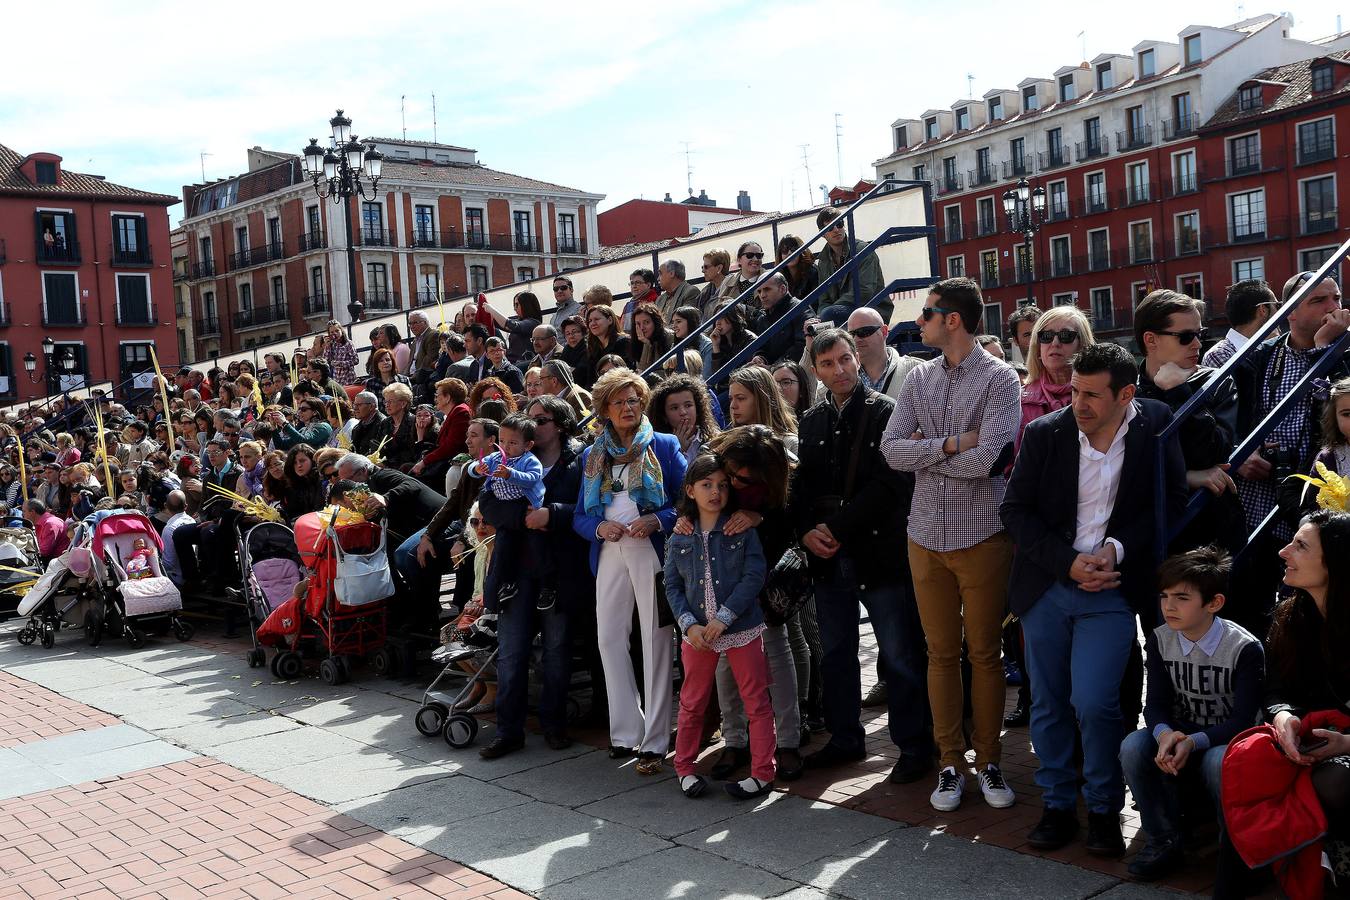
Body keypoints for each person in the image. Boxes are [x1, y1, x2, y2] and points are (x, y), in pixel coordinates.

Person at [1000, 342, 1187, 856]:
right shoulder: (1045, 433)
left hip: (1111, 591)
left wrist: (1116, 549)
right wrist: (1067, 561)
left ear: (1127, 394)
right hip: (1046, 589)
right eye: (1075, 391)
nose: (1078, 403)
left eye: (1091, 395)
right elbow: (1015, 511)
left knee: (1096, 702)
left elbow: (1169, 502)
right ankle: (1058, 804)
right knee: (1049, 701)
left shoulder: (1156, 426)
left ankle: (1104, 807)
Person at [881, 277, 1021, 812]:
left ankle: (988, 760)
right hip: (925, 534)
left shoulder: (1000, 377)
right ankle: (949, 762)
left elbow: (989, 459)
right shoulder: (919, 378)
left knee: (984, 654)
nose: (920, 322)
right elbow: (891, 450)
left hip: (982, 534)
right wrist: (949, 443)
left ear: (953, 319)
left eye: (929, 314)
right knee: (939, 654)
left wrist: (928, 450)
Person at [793, 329, 931, 785]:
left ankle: (913, 745)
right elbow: (803, 488)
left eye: (845, 360)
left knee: (898, 653)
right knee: (836, 652)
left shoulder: (886, 412)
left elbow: (892, 485)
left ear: (857, 359)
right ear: (816, 370)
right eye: (828, 363)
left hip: (878, 551)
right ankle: (845, 736)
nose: (839, 370)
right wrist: (808, 531)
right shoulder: (811, 420)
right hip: (828, 555)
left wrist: (834, 527)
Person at [1120, 547, 1264, 881]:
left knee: (1218, 761)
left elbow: (1244, 720)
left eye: (1182, 597)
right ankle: (1163, 839)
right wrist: (1164, 735)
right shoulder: (1160, 639)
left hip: (1231, 740)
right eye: (1164, 596)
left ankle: (1238, 850)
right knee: (1132, 745)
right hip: (1182, 733)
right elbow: (1153, 704)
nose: (1169, 606)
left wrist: (1193, 742)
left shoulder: (1244, 647)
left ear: (1214, 603)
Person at [572, 368, 687, 775]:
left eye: (633, 400)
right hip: (609, 552)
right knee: (608, 639)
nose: (628, 407)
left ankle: (656, 739)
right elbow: (580, 517)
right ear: (604, 408)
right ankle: (624, 732)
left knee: (656, 642)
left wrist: (658, 521)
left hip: (651, 551)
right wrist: (599, 527)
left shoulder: (665, 444)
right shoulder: (592, 454)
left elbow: (688, 502)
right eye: (619, 401)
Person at [1231, 272, 1350, 635]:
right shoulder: (1261, 356)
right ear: (1289, 313)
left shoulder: (1345, 356)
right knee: (1249, 606)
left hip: (1311, 500)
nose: (1334, 307)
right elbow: (1232, 416)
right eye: (1318, 300)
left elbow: (1340, 413)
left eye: (1337, 298)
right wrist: (1241, 451)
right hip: (1256, 501)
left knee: (1305, 614)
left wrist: (1326, 349)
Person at [477, 396, 588, 759]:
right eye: (531, 419)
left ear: (560, 424)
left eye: (542, 419)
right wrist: (523, 515)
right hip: (515, 570)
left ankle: (554, 724)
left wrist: (551, 515)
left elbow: (589, 510)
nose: (534, 425)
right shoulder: (506, 457)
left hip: (558, 570)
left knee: (556, 652)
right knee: (511, 653)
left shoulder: (579, 460)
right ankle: (509, 731)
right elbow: (487, 505)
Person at [666, 453, 774, 800]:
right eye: (706, 485)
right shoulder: (681, 535)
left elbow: (754, 575)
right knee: (692, 701)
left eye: (722, 486)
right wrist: (687, 625)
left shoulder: (739, 529)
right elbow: (672, 586)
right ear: (690, 490)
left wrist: (725, 616)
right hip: (697, 635)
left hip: (741, 629)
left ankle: (762, 772)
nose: (715, 492)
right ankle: (684, 768)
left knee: (755, 701)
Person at [1134, 290, 1243, 556]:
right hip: (1145, 531)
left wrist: (1179, 393)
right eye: (1185, 337)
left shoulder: (1216, 382)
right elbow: (1126, 466)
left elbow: (1217, 452)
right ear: (1151, 340)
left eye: (1200, 334)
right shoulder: (1127, 391)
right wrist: (1187, 477)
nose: (1197, 344)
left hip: (1210, 532)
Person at [469, 413, 550, 611]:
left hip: (526, 506)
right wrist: (478, 469)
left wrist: (510, 474)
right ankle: (506, 584)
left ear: (528, 445)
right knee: (503, 550)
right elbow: (472, 467)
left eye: (513, 442)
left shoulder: (529, 460)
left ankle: (547, 587)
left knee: (537, 548)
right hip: (504, 513)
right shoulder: (496, 456)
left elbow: (533, 477)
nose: (506, 447)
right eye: (502, 441)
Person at [1016, 305, 1095, 455]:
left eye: (1066, 335)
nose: (1055, 343)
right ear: (1038, 347)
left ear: (1082, 345)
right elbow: (1012, 463)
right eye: (1046, 336)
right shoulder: (1019, 400)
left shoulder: (1101, 394)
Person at [815, 208, 889, 324]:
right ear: (822, 234)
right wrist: (821, 316)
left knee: (828, 315)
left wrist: (830, 311)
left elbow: (864, 291)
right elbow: (824, 299)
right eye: (830, 228)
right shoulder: (823, 262)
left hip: (871, 309)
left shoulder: (863, 250)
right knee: (811, 325)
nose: (836, 230)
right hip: (840, 312)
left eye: (839, 224)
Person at [844, 307, 920, 402]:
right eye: (851, 335)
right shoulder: (840, 377)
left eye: (864, 332)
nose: (856, 339)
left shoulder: (917, 371)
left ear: (884, 331)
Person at [1203, 279, 1278, 368]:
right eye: (1277, 305)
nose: (1280, 310)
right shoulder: (1219, 354)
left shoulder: (1273, 347)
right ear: (1263, 310)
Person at [647, 374, 720, 466]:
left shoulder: (715, 440)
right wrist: (676, 451)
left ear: (698, 409)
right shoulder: (655, 446)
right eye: (674, 408)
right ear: (664, 416)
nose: (683, 412)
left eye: (688, 405)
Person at [411, 378, 471, 487]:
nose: (435, 398)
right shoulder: (454, 412)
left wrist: (424, 462)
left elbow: (450, 447)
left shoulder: (461, 412)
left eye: (437, 395)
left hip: (449, 468)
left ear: (447, 397)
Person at [749, 273, 805, 367]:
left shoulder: (800, 309)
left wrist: (775, 367)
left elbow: (802, 346)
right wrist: (760, 358)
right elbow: (763, 348)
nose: (762, 295)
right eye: (759, 291)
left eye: (767, 289)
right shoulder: (763, 317)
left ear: (783, 289)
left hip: (794, 373)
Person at [484, 291, 544, 365]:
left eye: (517, 305)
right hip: (513, 363)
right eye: (514, 305)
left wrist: (491, 309)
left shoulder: (533, 323)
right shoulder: (521, 323)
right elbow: (500, 324)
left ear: (526, 305)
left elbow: (510, 325)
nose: (515, 308)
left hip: (523, 365)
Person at [581, 305, 633, 387]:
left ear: (610, 320)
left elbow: (628, 372)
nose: (593, 323)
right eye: (590, 321)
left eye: (597, 319)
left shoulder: (623, 342)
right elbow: (590, 380)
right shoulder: (593, 348)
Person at [717, 242, 765, 317]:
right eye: (750, 255)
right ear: (739, 259)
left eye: (759, 255)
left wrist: (742, 308)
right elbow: (718, 311)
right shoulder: (727, 281)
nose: (755, 259)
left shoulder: (770, 279)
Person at [709, 305, 755, 378]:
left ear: (733, 317)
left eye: (722, 317)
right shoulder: (720, 340)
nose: (718, 322)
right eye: (716, 317)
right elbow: (716, 375)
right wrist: (716, 346)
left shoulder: (748, 338)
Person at [379, 383, 417, 470]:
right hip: (383, 466)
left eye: (390, 401)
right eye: (385, 401)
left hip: (404, 468)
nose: (387, 405)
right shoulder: (385, 423)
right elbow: (379, 447)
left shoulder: (413, 422)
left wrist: (387, 465)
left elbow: (410, 453)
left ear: (403, 404)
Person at [671, 306, 714, 376]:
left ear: (691, 322)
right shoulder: (675, 345)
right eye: (673, 322)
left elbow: (706, 377)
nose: (674, 326)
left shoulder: (707, 346)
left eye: (678, 321)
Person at [631, 304, 674, 373]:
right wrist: (646, 343)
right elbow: (641, 371)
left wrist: (647, 345)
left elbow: (662, 371)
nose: (642, 328)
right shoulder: (638, 340)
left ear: (656, 322)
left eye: (646, 322)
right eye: (638, 324)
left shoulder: (670, 337)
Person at [776, 235, 819, 301]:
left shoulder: (812, 272)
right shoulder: (778, 277)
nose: (790, 253)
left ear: (801, 251)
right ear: (780, 255)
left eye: (794, 249)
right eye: (785, 250)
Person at [318, 320, 358, 385]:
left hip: (348, 378)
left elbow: (355, 360)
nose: (335, 334)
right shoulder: (332, 344)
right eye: (332, 332)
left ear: (341, 330)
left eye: (337, 331)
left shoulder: (348, 343)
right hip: (337, 379)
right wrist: (327, 347)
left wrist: (340, 363)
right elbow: (325, 361)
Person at [697, 248, 731, 322]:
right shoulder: (705, 293)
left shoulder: (731, 289)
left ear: (719, 268)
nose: (703, 271)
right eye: (702, 267)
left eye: (706, 267)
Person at [349, 392, 387, 457]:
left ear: (371, 406)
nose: (355, 408)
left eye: (359, 405)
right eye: (354, 404)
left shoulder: (384, 425)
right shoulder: (357, 427)